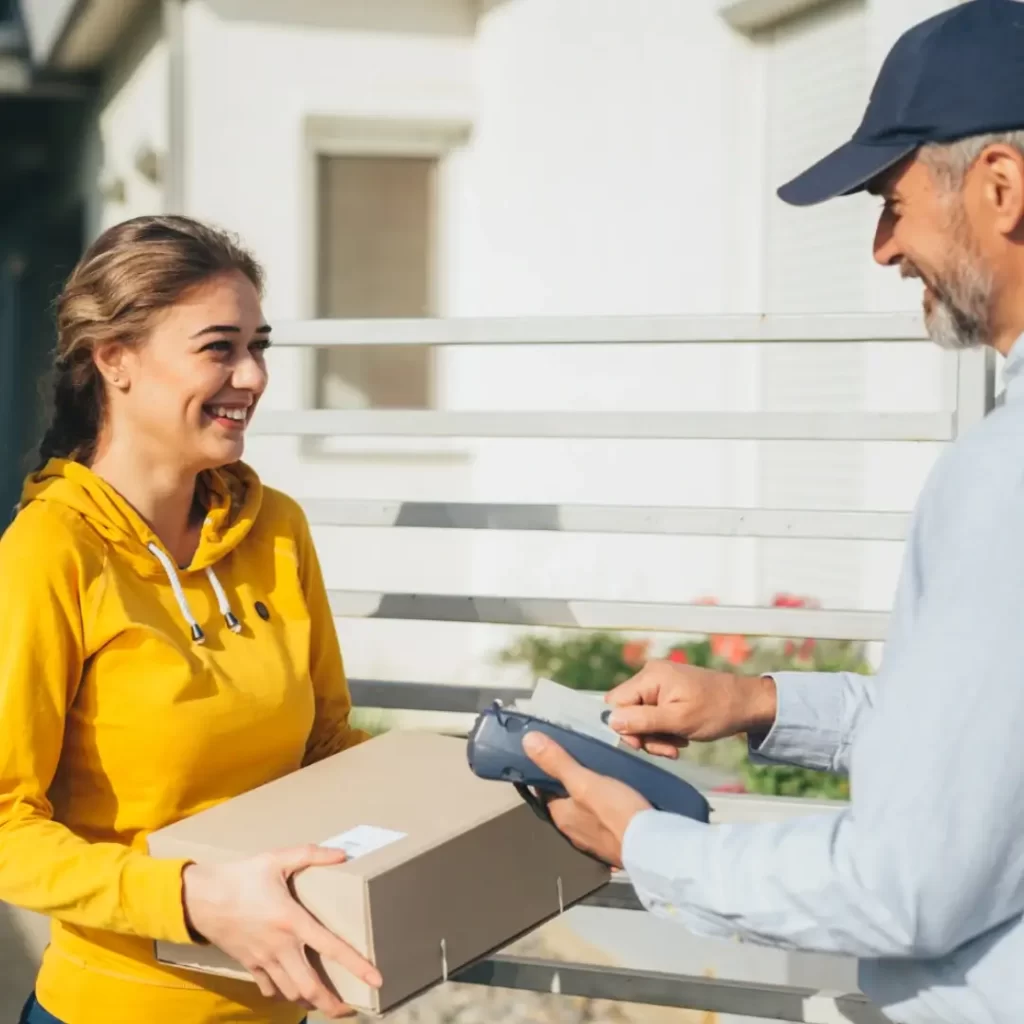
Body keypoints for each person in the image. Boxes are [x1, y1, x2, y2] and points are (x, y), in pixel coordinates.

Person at [524, 2, 1024, 1022]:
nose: (884, 248)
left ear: (1000, 189)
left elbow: (908, 885)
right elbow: (990, 748)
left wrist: (646, 844)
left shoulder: (1001, 478)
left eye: (890, 200)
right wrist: (759, 705)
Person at [0, 215, 382, 1024]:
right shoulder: (50, 551)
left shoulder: (276, 526)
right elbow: (5, 826)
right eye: (219, 347)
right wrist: (191, 897)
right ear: (115, 360)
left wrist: (489, 786)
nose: (251, 375)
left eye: (259, 345)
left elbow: (327, 748)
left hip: (285, 1005)